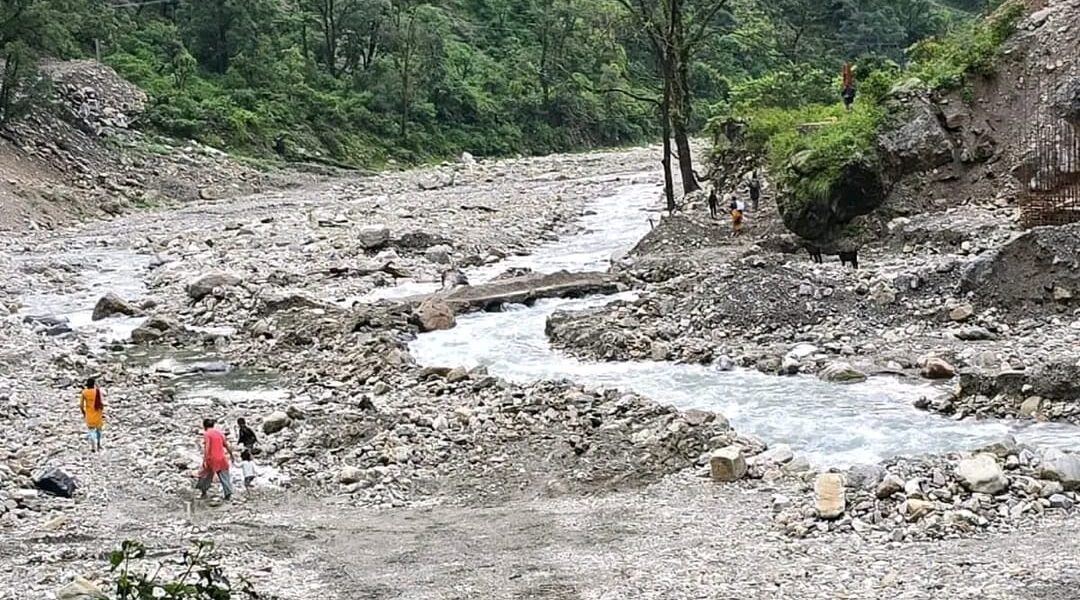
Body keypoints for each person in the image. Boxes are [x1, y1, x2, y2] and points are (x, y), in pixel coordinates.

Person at [196, 418, 235, 501]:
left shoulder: (207, 434)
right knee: (225, 477)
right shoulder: (219, 433)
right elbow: (226, 445)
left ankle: (203, 492)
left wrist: (205, 459)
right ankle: (228, 495)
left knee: (205, 475)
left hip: (211, 459)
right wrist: (231, 455)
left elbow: (207, 447)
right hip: (221, 458)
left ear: (204, 426)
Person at [79, 378, 104, 452]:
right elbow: (101, 403)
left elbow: (81, 405)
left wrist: (83, 412)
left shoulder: (84, 392)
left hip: (89, 413)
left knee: (91, 430)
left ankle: (93, 446)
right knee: (99, 430)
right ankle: (99, 444)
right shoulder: (97, 391)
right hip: (97, 413)